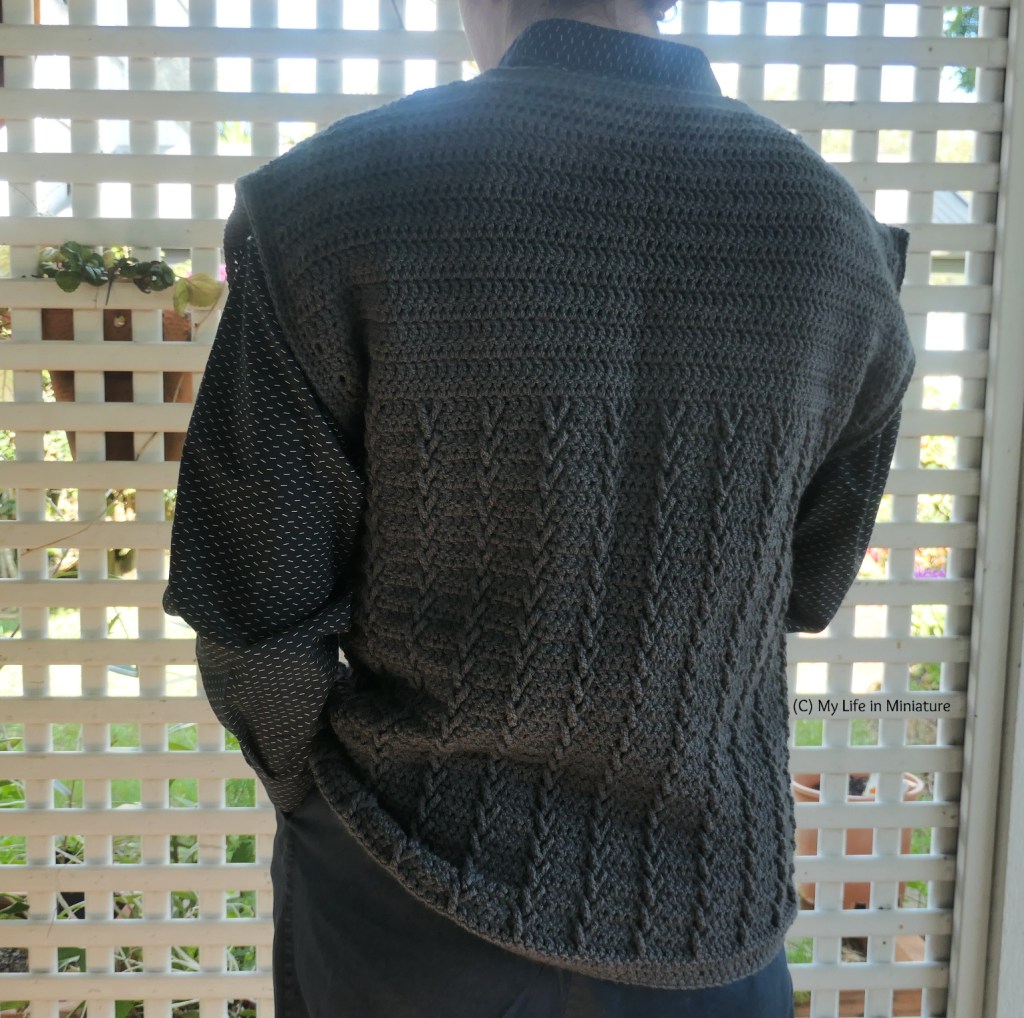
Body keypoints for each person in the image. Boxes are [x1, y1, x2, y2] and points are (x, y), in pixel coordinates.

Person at [162, 0, 916, 1015]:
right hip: (702, 917)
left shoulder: (329, 204)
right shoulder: (835, 239)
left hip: (400, 887)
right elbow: (809, 579)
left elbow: (252, 601)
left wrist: (316, 797)